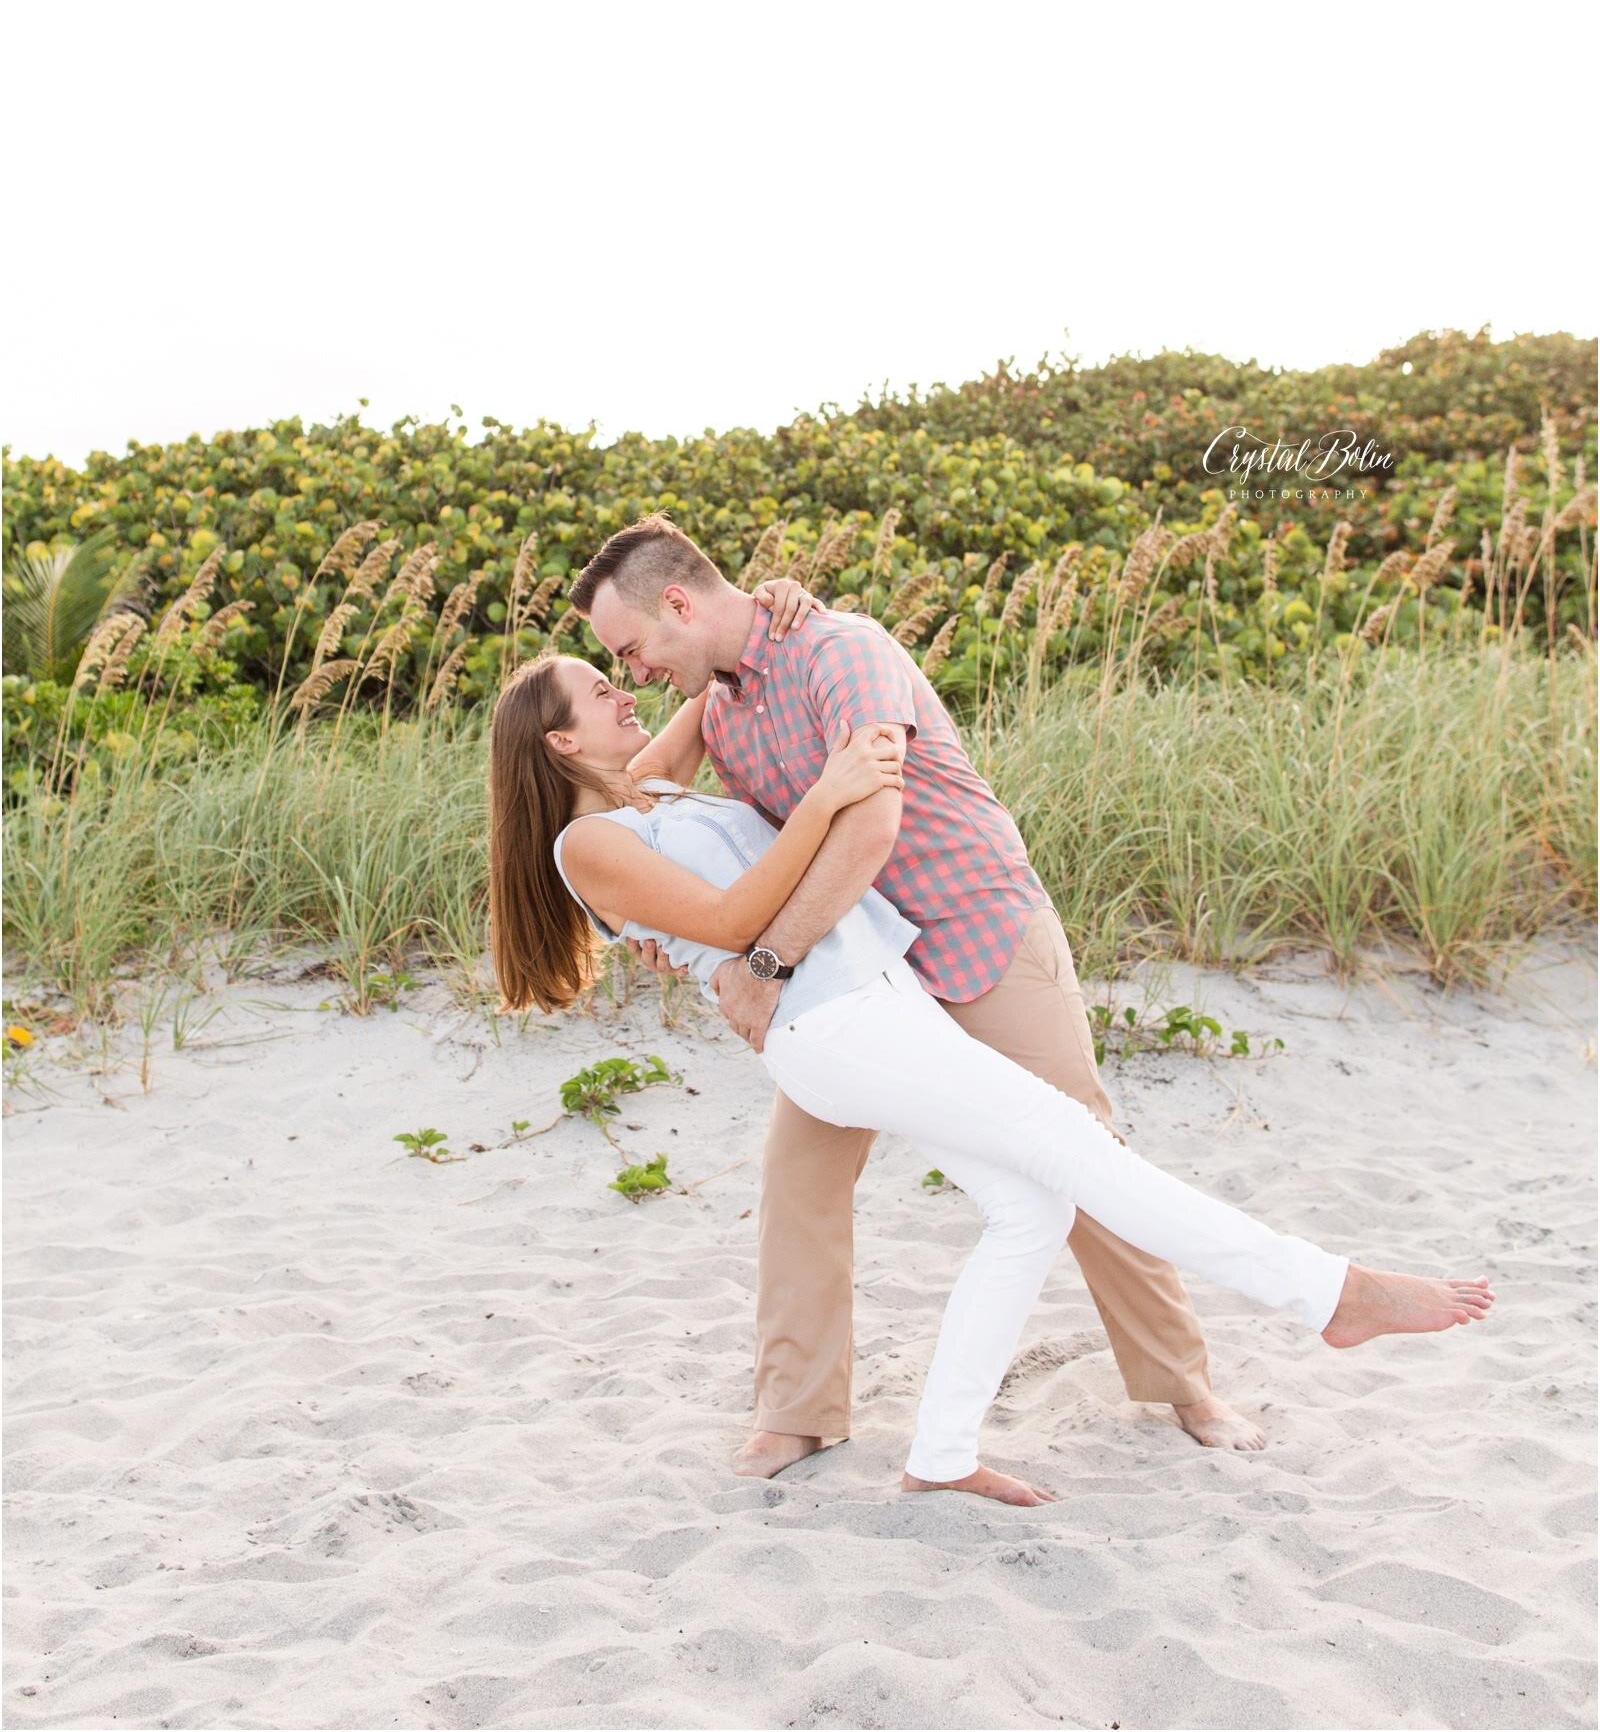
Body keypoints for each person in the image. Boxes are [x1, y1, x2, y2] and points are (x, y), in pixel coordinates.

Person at [487, 634, 1496, 1509]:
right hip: (836, 1029)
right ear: (562, 741)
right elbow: (732, 920)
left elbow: (715, 679)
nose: (627, 692)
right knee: (1082, 1153)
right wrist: (832, 793)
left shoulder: (650, 787)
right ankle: (1329, 1291)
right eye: (600, 690)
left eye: (618, 673)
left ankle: (941, 1453)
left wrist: (781, 602)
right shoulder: (588, 845)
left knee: (1030, 1210)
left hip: (879, 1004)